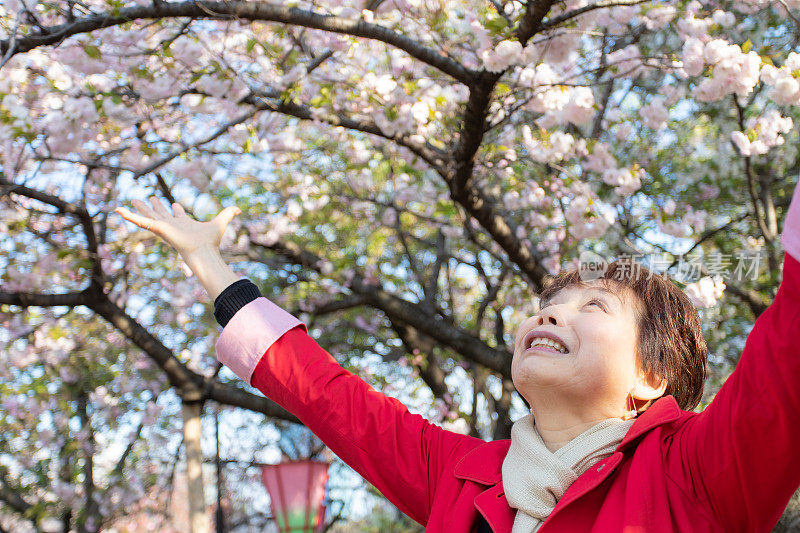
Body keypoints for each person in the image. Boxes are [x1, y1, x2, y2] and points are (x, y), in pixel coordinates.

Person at [116, 181, 800, 532]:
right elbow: (329, 395)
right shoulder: (460, 477)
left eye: (595, 306)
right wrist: (208, 263)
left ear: (652, 379)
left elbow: (787, 356)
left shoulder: (698, 473)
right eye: (550, 300)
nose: (552, 311)